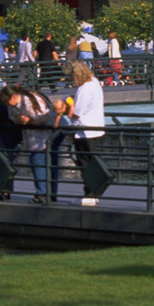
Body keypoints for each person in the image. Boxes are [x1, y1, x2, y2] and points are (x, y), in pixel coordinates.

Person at [0, 84, 58, 204]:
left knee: (38, 161)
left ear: (14, 97)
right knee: (45, 162)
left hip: (45, 134)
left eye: (8, 102)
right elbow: (13, 118)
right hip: (32, 137)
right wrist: (19, 120)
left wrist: (30, 121)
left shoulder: (30, 100)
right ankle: (49, 193)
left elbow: (47, 117)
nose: (8, 105)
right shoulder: (13, 105)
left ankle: (43, 193)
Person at [63, 60, 105, 206]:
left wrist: (69, 105)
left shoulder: (83, 90)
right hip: (97, 126)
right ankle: (94, 192)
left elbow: (77, 113)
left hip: (85, 131)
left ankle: (90, 194)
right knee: (93, 162)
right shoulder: (94, 81)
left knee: (85, 164)